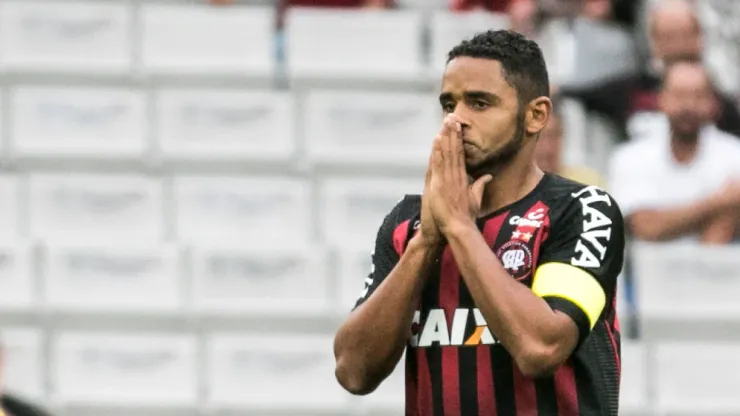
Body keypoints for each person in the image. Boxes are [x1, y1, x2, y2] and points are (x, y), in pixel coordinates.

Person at [333, 30, 625, 415]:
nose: (456, 121)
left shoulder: (582, 210)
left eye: (479, 103)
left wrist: (460, 228)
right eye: (448, 104)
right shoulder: (409, 225)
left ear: (536, 115)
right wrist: (425, 245)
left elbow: (541, 348)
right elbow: (353, 372)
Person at [609, 60, 740, 244]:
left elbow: (724, 228)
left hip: (718, 271)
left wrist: (671, 221)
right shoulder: (630, 157)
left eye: (698, 96)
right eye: (679, 95)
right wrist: (718, 203)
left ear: (714, 103)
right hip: (648, 271)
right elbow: (645, 227)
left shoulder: (735, 155)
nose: (688, 106)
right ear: (660, 99)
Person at [534, 109, 607, 188]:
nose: (547, 148)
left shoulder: (588, 184)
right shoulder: (519, 189)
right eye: (539, 137)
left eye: (553, 136)